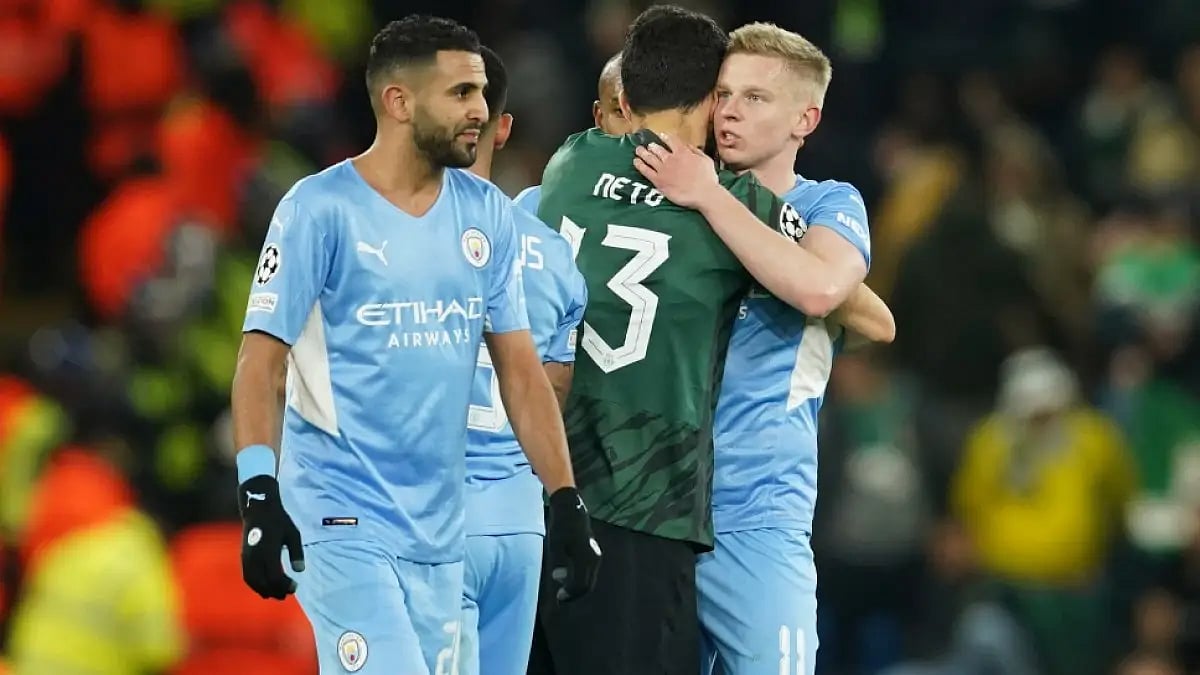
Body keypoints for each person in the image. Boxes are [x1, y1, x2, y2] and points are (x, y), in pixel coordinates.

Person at [229, 15, 600, 674]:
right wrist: (258, 492)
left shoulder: (485, 214)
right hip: (343, 521)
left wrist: (565, 498)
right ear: (398, 102)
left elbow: (520, 371)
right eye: (460, 93)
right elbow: (261, 364)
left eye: (481, 93)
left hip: (440, 533)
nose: (480, 110)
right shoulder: (319, 210)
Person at [525, 7, 810, 675]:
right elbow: (828, 290)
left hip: (542, 494)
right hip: (646, 501)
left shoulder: (570, 161)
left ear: (624, 98)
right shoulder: (734, 207)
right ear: (712, 100)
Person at [630, 22, 888, 675]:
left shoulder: (827, 202)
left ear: (806, 119)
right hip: (652, 507)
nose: (730, 112)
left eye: (755, 97)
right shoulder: (674, 195)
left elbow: (820, 289)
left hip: (756, 512)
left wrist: (713, 199)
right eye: (723, 94)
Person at [459, 47, 588, 675]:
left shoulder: (391, 237)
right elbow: (551, 394)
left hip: (426, 518)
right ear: (502, 128)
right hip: (517, 524)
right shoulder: (552, 252)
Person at [513, 52, 631, 215]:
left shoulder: (670, 210)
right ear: (600, 117)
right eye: (621, 112)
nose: (636, 130)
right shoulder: (535, 208)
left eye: (649, 115)